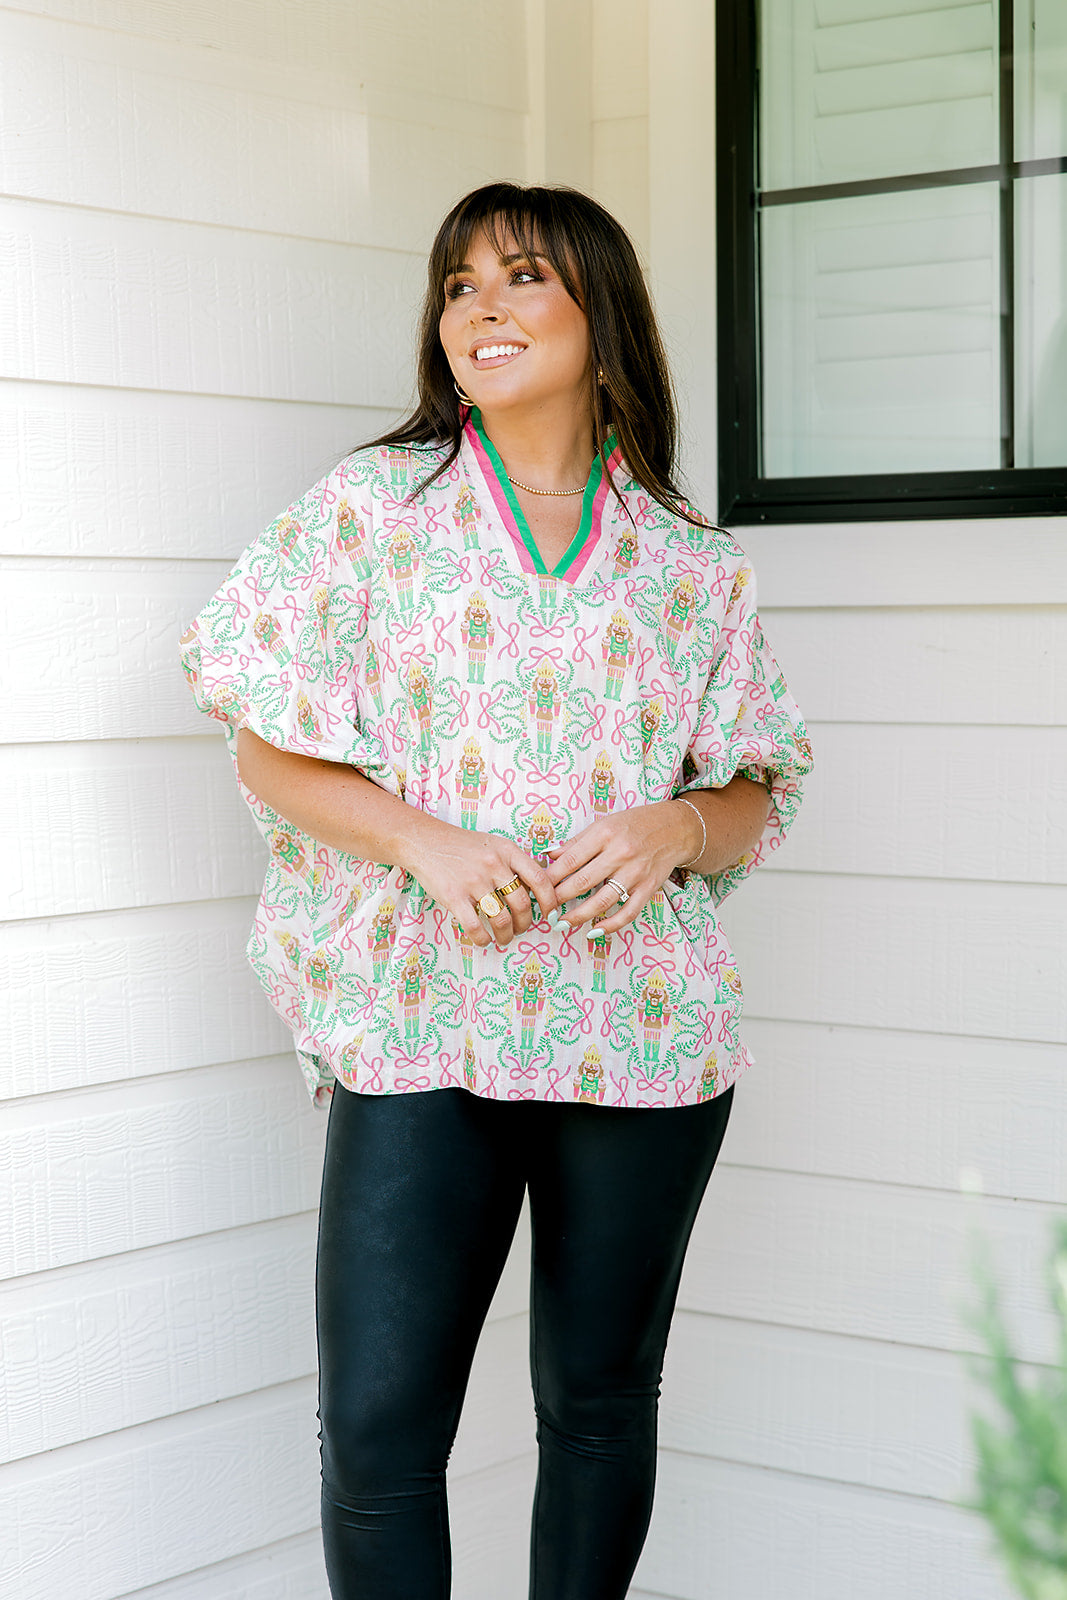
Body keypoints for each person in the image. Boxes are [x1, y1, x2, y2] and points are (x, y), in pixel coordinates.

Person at [180, 181, 812, 1600]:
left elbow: (759, 785)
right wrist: (426, 842)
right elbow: (265, 749)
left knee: (598, 1404)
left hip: (639, 1035)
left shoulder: (691, 566)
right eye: (458, 287)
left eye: (520, 278)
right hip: (423, 1027)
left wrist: (677, 827)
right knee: (384, 1430)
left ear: (602, 315)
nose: (481, 309)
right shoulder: (365, 514)